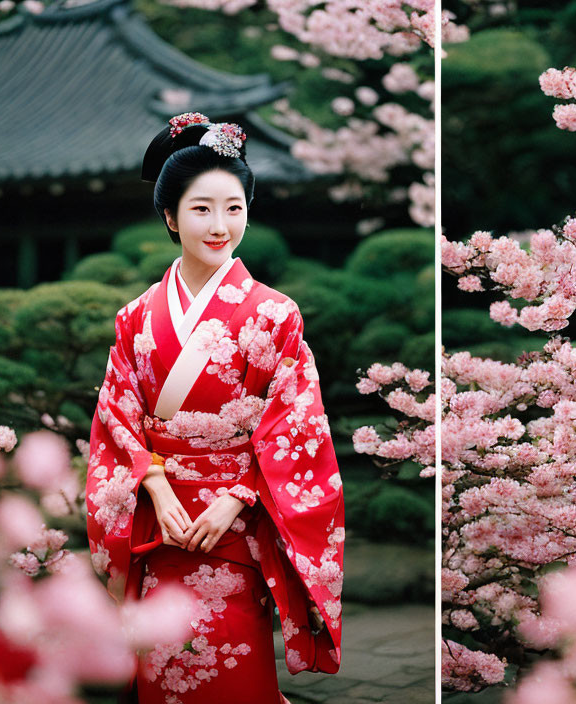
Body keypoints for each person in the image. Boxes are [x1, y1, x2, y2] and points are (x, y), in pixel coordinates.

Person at [85, 112, 344, 704]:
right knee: (162, 656)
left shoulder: (276, 314)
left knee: (233, 659)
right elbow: (116, 419)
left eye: (234, 207)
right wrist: (153, 485)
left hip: (237, 520)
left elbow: (295, 428)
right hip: (163, 519)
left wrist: (236, 496)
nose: (221, 224)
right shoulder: (135, 318)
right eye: (201, 208)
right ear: (171, 218)